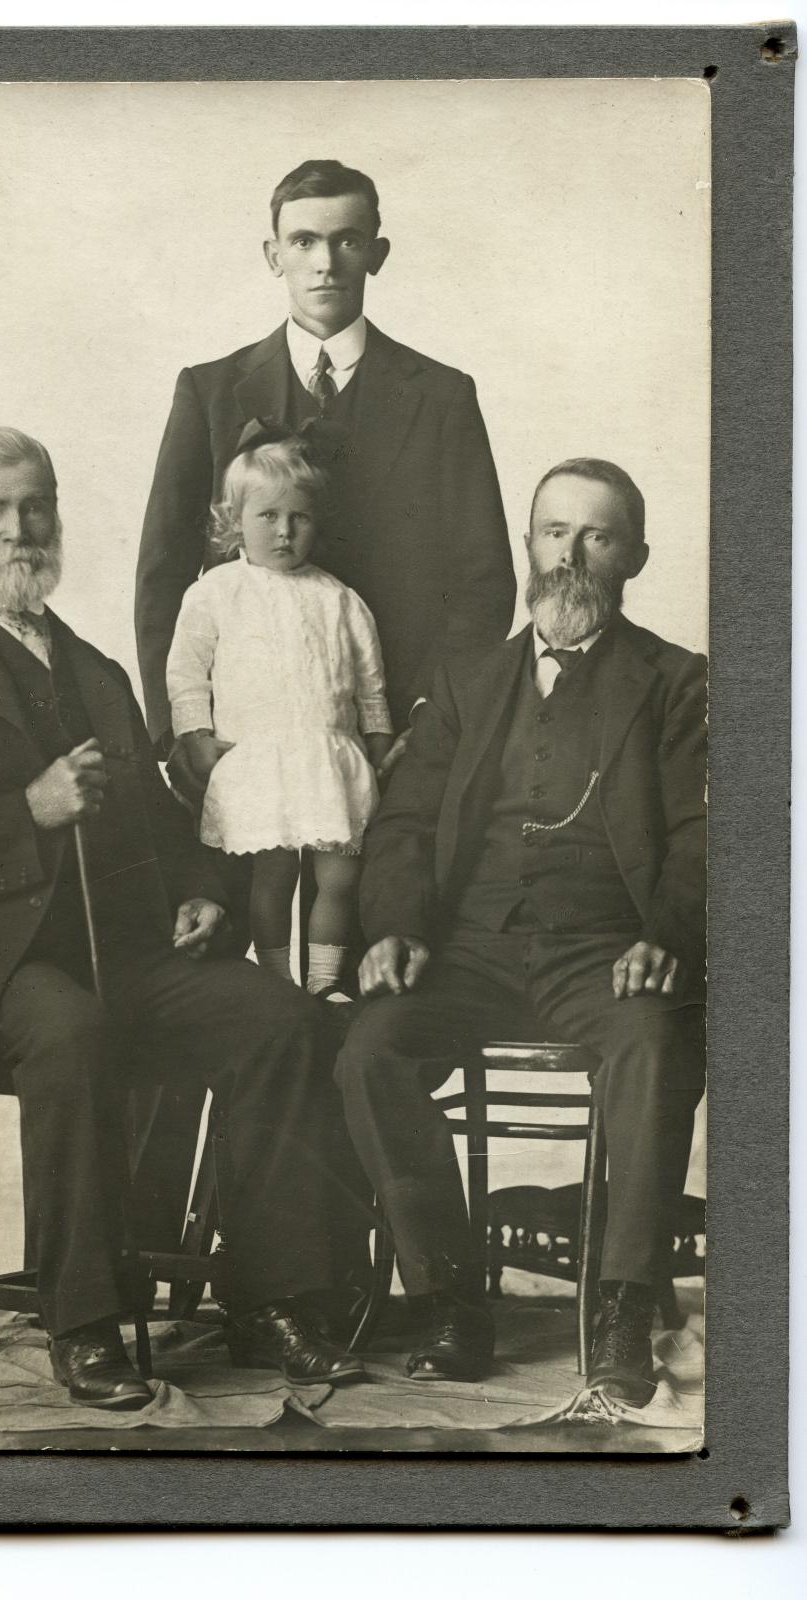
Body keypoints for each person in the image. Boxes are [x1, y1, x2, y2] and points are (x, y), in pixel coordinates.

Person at [0, 426, 367, 1413]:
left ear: (55, 511)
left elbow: (161, 833)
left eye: (32, 505)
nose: (16, 529)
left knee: (280, 1018)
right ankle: (82, 1321)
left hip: (115, 953)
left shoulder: (95, 674)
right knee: (68, 1025)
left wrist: (198, 897)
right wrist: (25, 813)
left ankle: (276, 1299)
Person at [335, 458, 706, 1407]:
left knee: (656, 1041)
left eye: (596, 536)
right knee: (368, 1047)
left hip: (605, 952)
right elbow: (407, 822)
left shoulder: (675, 682)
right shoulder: (468, 682)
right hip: (471, 949)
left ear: (635, 558)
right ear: (526, 546)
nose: (569, 555)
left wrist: (664, 930)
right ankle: (452, 1298)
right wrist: (396, 928)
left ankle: (622, 1301)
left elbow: (711, 828)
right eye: (552, 532)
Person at [135, 157, 515, 793]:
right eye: (303, 240)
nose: (325, 262)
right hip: (238, 741)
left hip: (391, 739)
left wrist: (431, 717)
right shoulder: (210, 392)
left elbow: (483, 577)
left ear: (378, 253)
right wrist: (178, 733)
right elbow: (164, 569)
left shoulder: (444, 396)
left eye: (348, 240)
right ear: (272, 254)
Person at [166, 426, 394, 997]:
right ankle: (275, 978)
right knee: (272, 875)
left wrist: (380, 738)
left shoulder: (339, 597)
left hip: (327, 756)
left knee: (338, 875)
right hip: (259, 758)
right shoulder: (215, 592)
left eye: (300, 517)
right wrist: (195, 735)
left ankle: (322, 979)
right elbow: (187, 672)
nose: (286, 531)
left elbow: (369, 683)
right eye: (268, 516)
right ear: (234, 518)